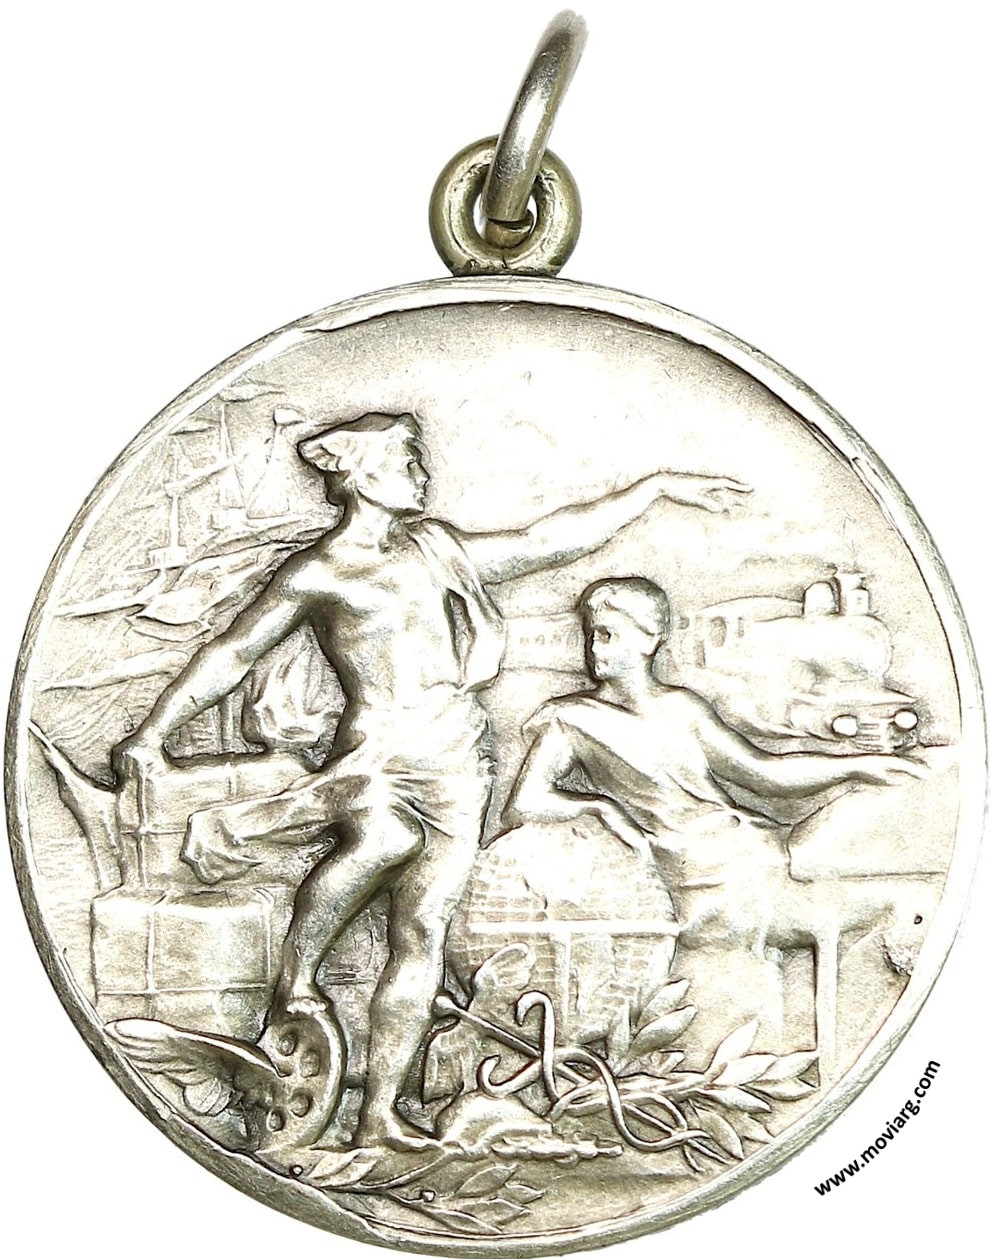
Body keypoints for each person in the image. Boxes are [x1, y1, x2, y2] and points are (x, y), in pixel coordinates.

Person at [114, 413, 747, 1148]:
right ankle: (297, 976)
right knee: (385, 835)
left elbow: (546, 540)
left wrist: (652, 489)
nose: (422, 473)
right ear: (363, 476)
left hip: (455, 758)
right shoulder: (319, 573)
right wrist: (152, 732)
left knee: (421, 933)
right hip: (379, 751)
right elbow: (232, 652)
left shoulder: (435, 548)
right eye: (407, 461)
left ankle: (380, 1116)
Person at [505, 576, 925, 895]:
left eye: (607, 634)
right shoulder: (571, 719)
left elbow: (765, 774)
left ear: (649, 639)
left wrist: (858, 767)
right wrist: (602, 809)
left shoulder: (683, 708)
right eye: (591, 635)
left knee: (878, 833)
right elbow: (524, 804)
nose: (594, 647)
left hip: (746, 843)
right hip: (690, 870)